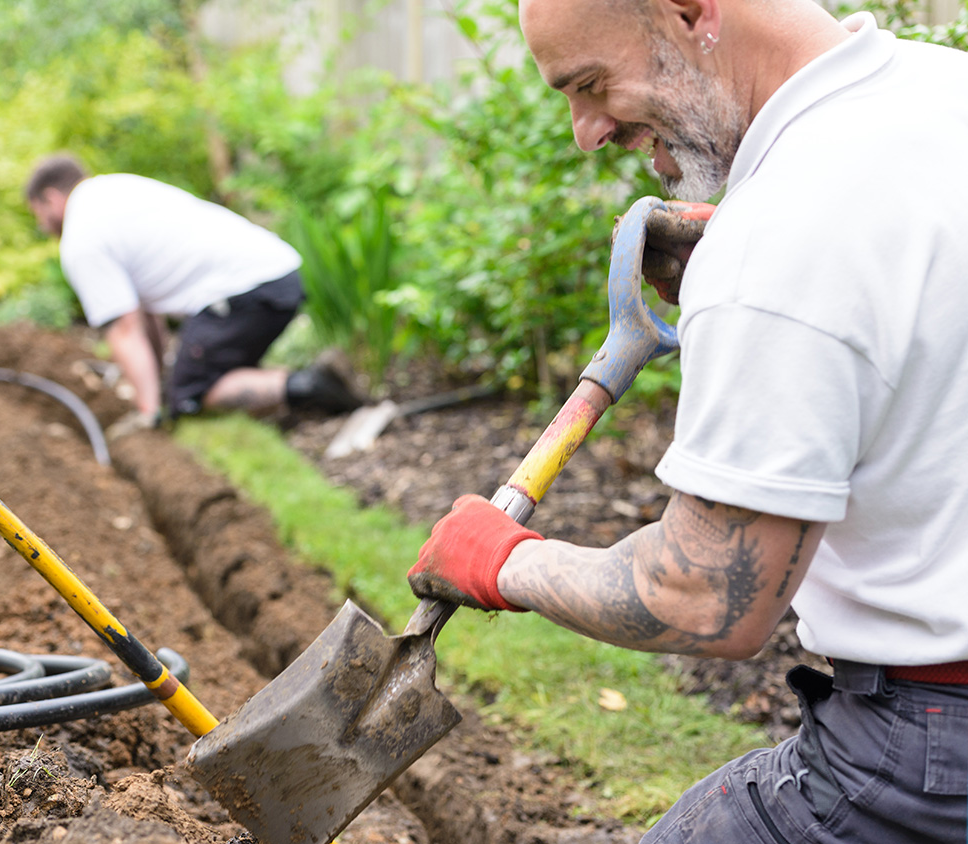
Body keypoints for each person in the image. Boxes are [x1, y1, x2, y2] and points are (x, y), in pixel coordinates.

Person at [408, 0, 968, 841]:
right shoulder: (939, 93)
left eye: (591, 85)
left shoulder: (783, 236)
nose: (585, 133)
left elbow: (705, 596)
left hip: (929, 756)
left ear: (688, 10)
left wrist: (500, 562)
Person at [24, 154, 363, 431]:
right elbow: (144, 318)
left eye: (37, 213)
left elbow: (125, 330)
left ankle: (310, 384)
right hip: (274, 274)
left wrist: (151, 413)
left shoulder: (82, 238)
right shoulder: (116, 188)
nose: (41, 225)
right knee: (186, 381)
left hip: (243, 292)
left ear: (51, 198)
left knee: (190, 399)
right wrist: (154, 392)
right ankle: (295, 382)